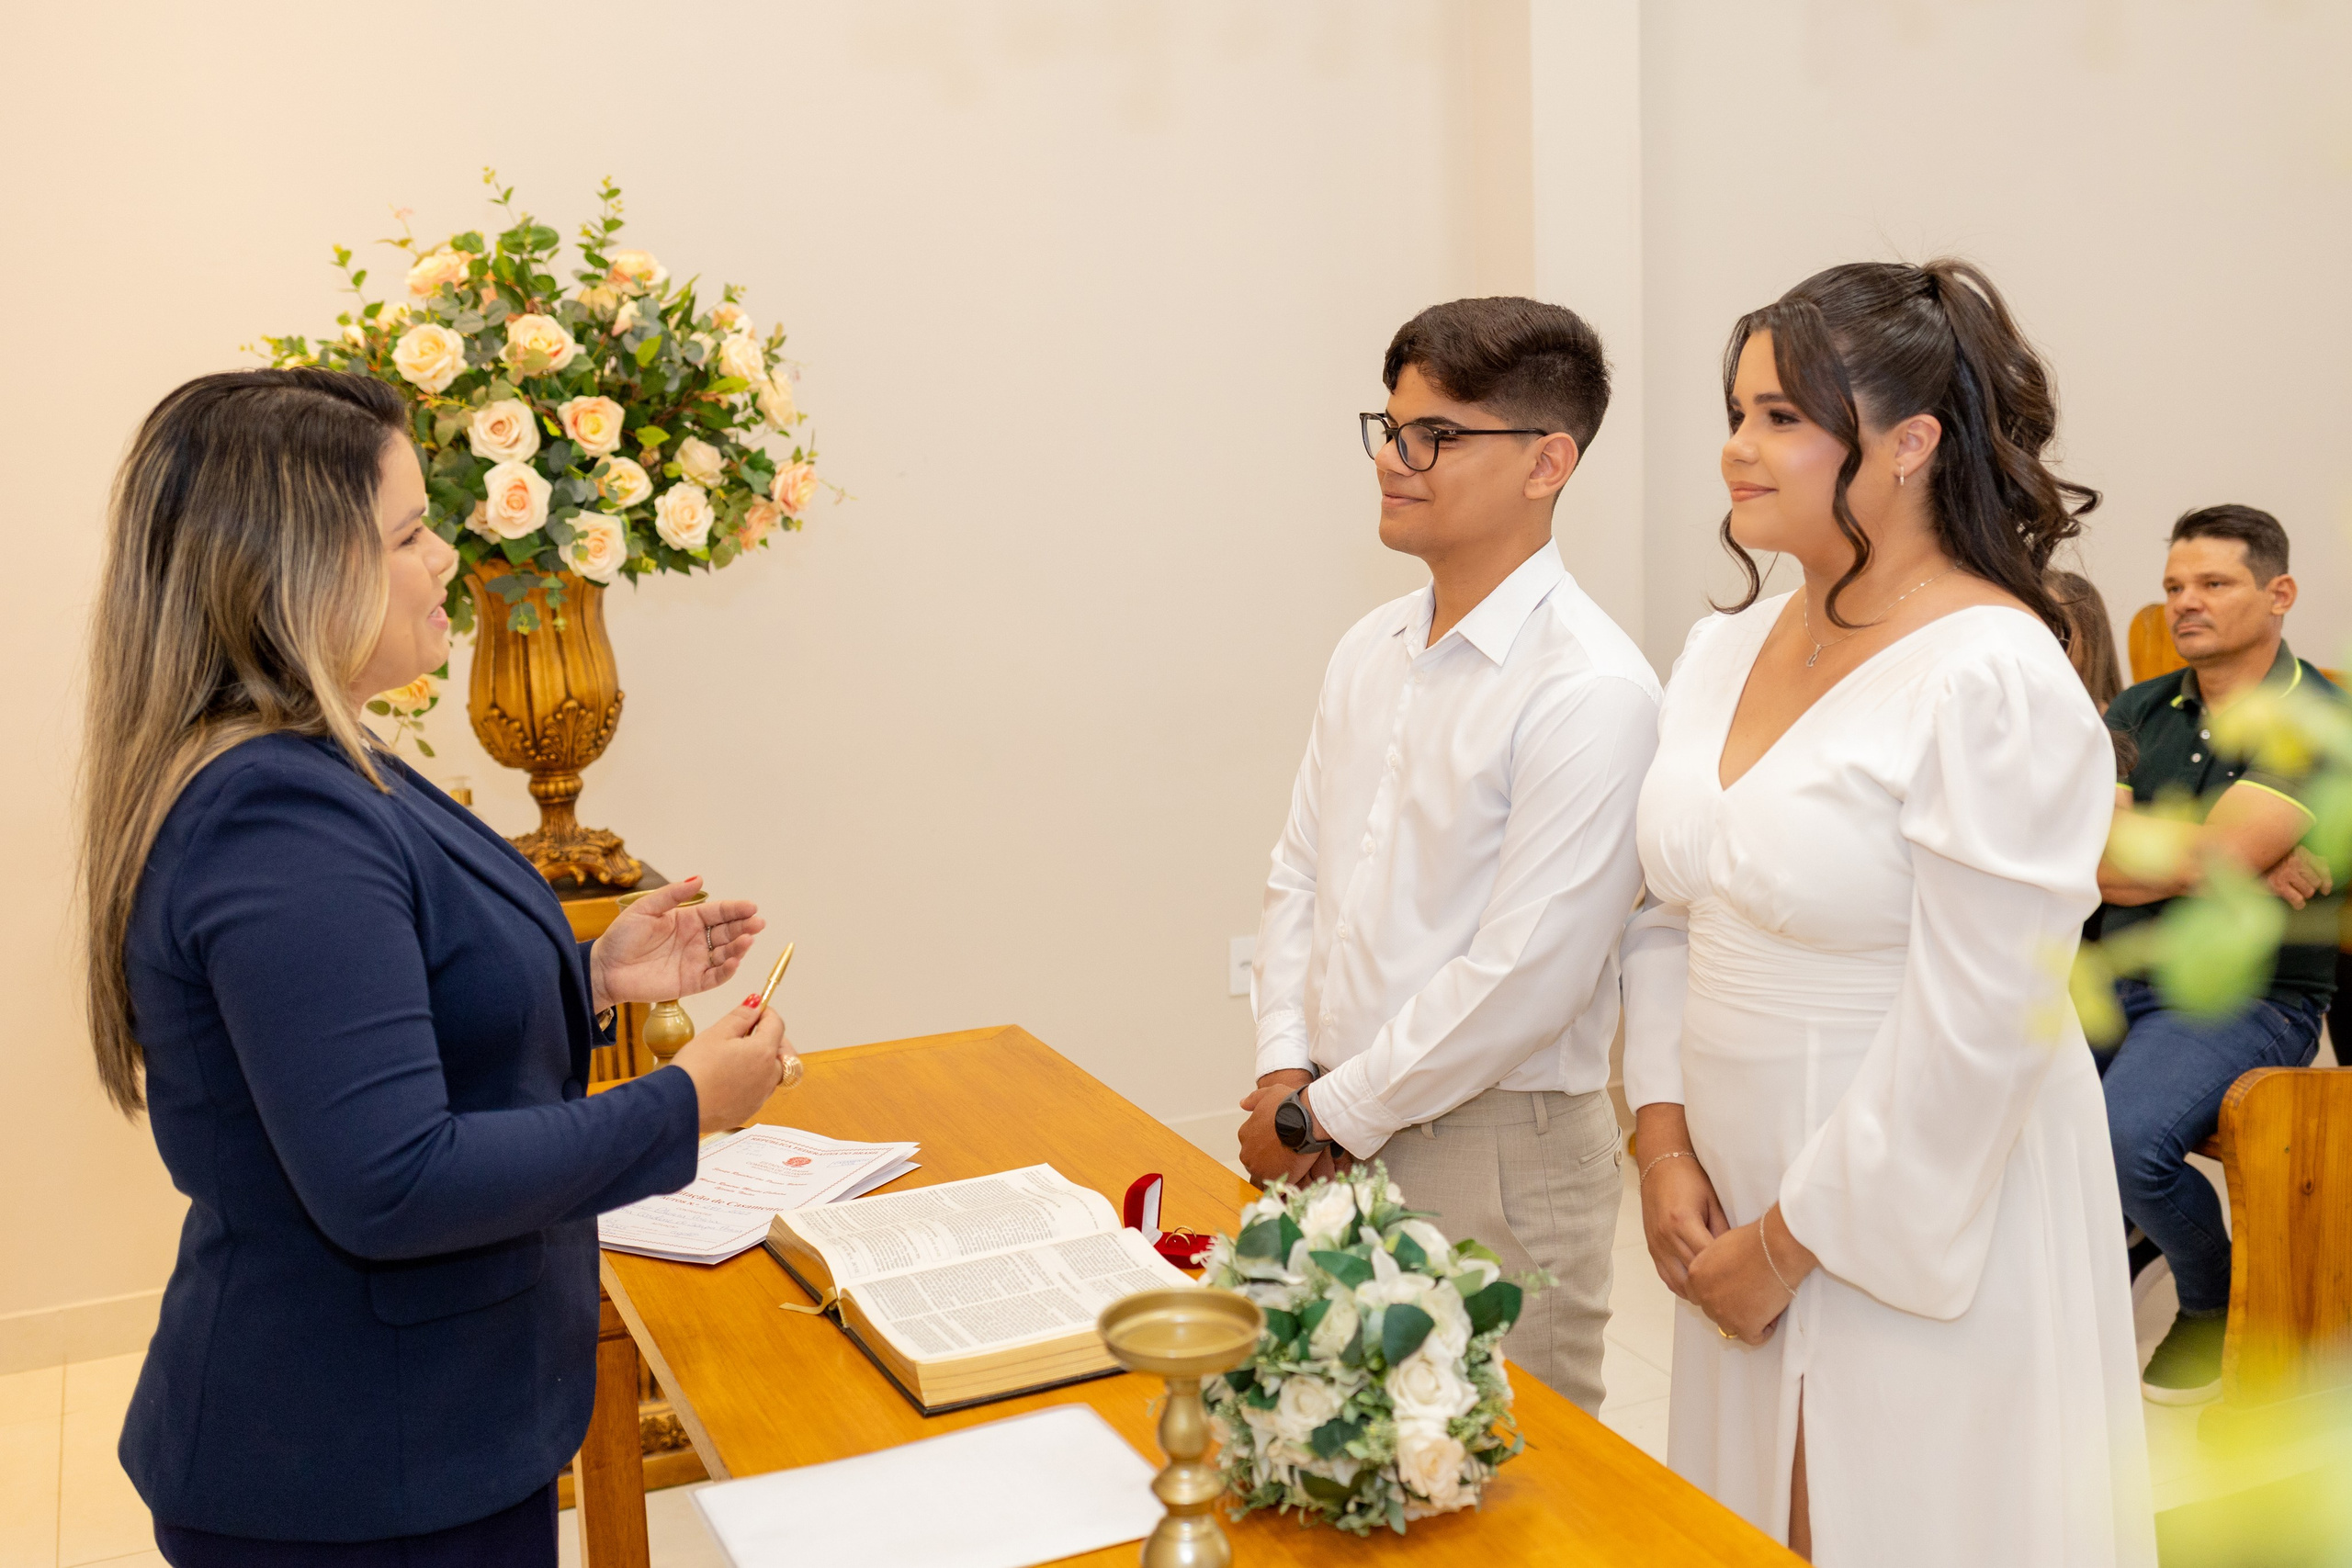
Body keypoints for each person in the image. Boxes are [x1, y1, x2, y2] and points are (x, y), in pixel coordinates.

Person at [81, 369, 795, 1565]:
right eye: (411, 533)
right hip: (348, 1474)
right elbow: (395, 1176)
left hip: (422, 1437)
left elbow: (370, 1017)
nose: (448, 559)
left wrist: (591, 975)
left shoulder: (322, 750)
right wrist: (682, 1105)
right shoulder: (274, 817)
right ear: (297, 572)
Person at [1622, 260, 2154, 1564]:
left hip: (1918, 1199)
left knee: (1893, 1516)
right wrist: (1664, 1144)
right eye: (1738, 411)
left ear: (1910, 443)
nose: (1738, 450)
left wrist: (1790, 1242)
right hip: (1729, 1179)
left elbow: (1986, 1019)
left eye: (1782, 418)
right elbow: (1663, 911)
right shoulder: (1725, 647)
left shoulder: (1992, 674)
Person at [1238, 297, 1659, 1412]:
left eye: (1437, 435)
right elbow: (1298, 878)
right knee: (1333, 1446)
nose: (1394, 458)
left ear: (1546, 462)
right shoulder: (1368, 647)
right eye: (1388, 426)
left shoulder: (1590, 688)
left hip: (1494, 1145)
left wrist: (1326, 1113)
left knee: (1505, 1474)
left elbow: (1531, 975)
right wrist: (1289, 1065)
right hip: (1329, 1112)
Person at [2093, 504, 2341, 1404]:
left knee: (2121, 1139)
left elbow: (2146, 859)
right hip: (2112, 969)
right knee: (2002, 1092)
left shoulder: (2317, 721)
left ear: (2279, 594)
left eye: (2211, 584)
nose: (2183, 604)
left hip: (2245, 996)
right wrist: (2225, 865)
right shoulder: (2137, 705)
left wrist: (2185, 857)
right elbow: (2100, 865)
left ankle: (2211, 1293)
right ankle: (2136, 1231)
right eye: (2171, 587)